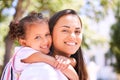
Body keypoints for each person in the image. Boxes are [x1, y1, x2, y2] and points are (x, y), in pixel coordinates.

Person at [1, 12, 77, 80]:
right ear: (24, 43)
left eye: (47, 34)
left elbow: (70, 63)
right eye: (37, 37)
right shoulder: (22, 53)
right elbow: (56, 63)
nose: (45, 41)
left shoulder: (43, 52)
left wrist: (69, 60)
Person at [19, 9, 88, 80]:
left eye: (77, 31)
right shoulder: (41, 70)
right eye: (65, 30)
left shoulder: (68, 67)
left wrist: (71, 61)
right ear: (50, 33)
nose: (73, 36)